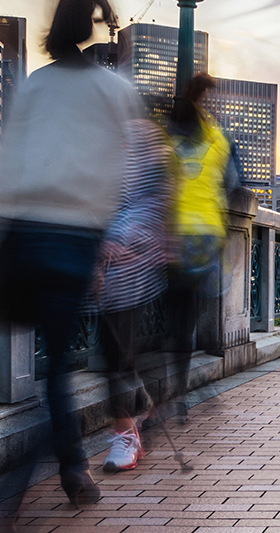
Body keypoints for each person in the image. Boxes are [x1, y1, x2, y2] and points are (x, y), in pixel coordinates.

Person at [0, 0, 141, 506]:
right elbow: (122, 173)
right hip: (74, 238)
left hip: (22, 233)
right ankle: (16, 495)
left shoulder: (35, 84)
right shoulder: (115, 90)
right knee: (59, 369)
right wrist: (104, 246)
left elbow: (7, 163)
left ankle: (73, 468)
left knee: (51, 366)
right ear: (93, 24)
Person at [92, 117, 175, 472]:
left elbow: (161, 209)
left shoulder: (151, 152)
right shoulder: (106, 159)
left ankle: (128, 431)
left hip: (138, 278)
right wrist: (99, 253)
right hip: (108, 277)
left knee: (123, 354)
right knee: (114, 354)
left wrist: (131, 244)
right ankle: (130, 425)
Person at [164, 72, 241, 425]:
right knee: (191, 315)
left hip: (171, 235)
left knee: (174, 318)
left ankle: (170, 393)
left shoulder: (167, 134)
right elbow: (232, 184)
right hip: (207, 236)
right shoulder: (219, 138)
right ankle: (182, 393)